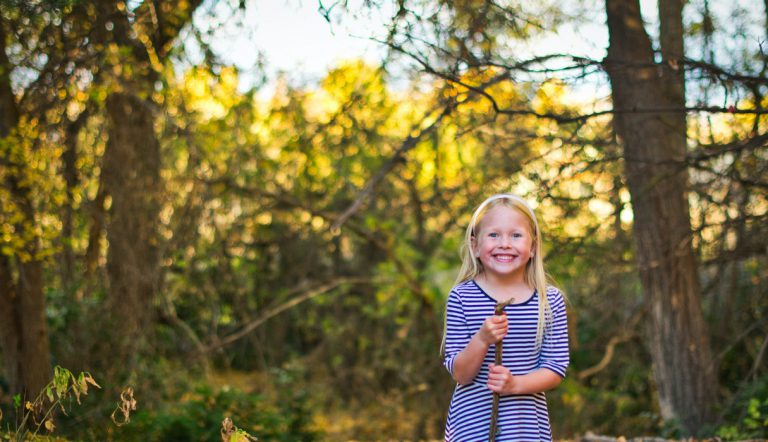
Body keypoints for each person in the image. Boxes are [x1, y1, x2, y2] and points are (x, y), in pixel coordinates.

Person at [442, 193, 569, 441]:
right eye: (494, 235)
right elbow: (461, 375)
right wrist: (481, 339)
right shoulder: (461, 297)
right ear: (475, 245)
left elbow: (554, 368)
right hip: (470, 427)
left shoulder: (549, 301)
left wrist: (515, 385)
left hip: (525, 429)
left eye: (516, 235)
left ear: (532, 247)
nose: (505, 243)